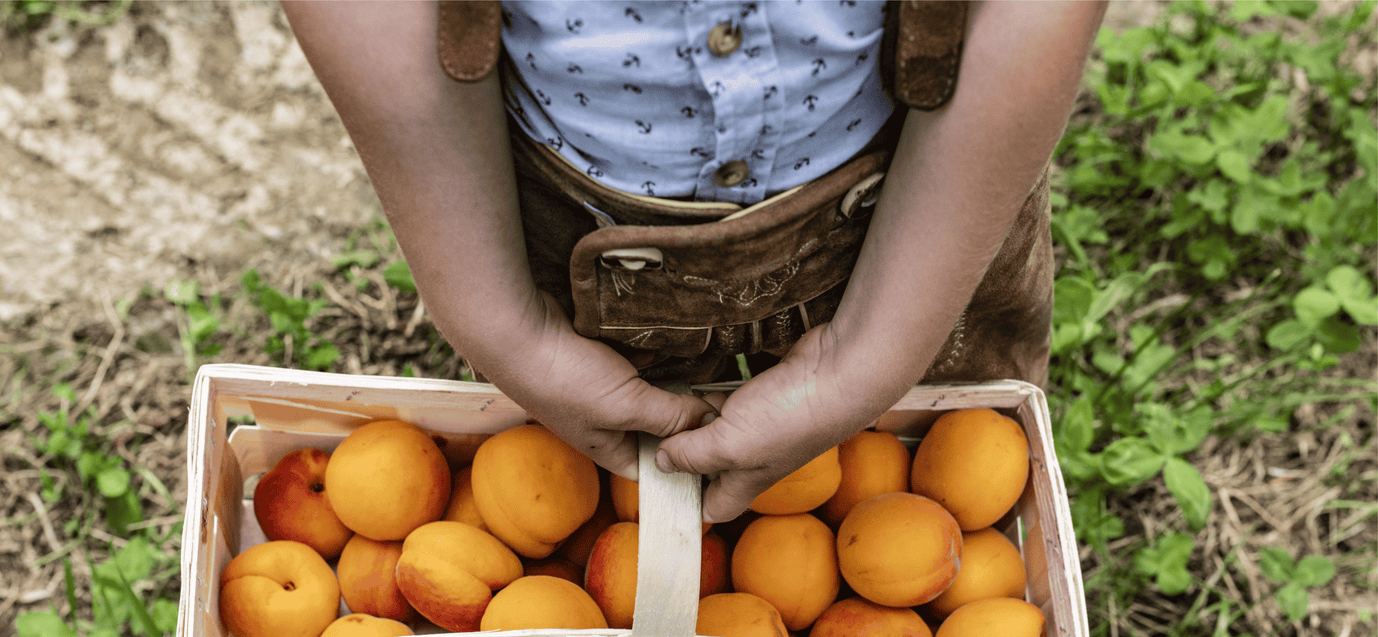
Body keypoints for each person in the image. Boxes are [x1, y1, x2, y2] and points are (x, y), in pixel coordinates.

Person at [279, 1, 1106, 525]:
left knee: (943, 437)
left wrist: (878, 352)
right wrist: (501, 321)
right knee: (604, 488)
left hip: (930, 189)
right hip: (574, 218)